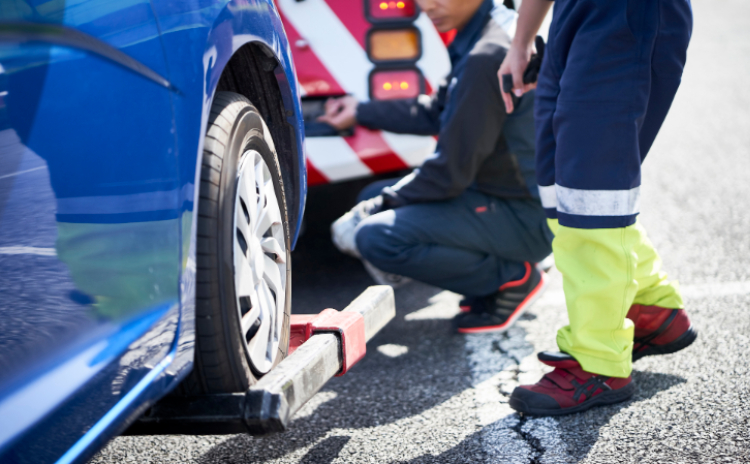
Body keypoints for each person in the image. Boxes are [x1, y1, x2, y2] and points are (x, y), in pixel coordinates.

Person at [498, 0, 697, 416]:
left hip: (625, 16)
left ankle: (599, 362)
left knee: (593, 196)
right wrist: (521, 41)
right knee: (563, 191)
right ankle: (653, 307)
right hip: (572, 18)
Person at [321, 0, 553, 334]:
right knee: (374, 196)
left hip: (525, 216)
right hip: (503, 195)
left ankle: (513, 278)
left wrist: (379, 205)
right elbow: (437, 111)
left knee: (377, 236)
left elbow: (449, 173)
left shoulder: (488, 54)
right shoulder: (488, 32)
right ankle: (493, 271)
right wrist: (362, 111)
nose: (426, 5)